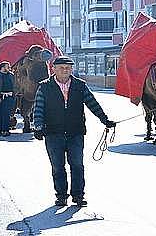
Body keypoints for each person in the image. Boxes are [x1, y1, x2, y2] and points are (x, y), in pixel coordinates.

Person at [32, 56, 116, 207]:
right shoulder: (44, 87)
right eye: (62, 68)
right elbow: (38, 109)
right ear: (54, 69)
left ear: (72, 69)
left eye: (68, 68)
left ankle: (78, 196)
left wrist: (105, 119)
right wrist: (38, 126)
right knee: (58, 166)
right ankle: (61, 196)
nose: (65, 70)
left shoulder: (80, 85)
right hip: (53, 133)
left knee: (77, 165)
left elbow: (92, 104)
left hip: (75, 132)